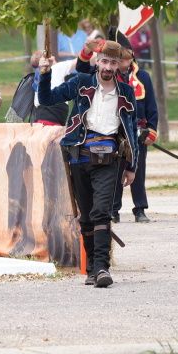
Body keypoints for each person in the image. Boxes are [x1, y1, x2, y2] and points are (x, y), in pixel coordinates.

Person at [37, 40, 138, 288]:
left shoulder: (126, 91)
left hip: (110, 158)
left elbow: (132, 129)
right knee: (86, 215)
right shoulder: (81, 82)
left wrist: (131, 166)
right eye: (104, 61)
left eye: (113, 62)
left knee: (101, 211)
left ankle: (103, 267)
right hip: (79, 155)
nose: (108, 66)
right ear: (97, 62)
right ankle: (92, 267)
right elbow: (47, 98)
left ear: (118, 66)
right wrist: (45, 73)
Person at [78, 43, 157, 222]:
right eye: (120, 59)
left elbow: (151, 105)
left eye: (126, 58)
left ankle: (140, 208)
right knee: (114, 172)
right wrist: (87, 51)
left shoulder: (142, 76)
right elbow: (81, 69)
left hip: (137, 131)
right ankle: (114, 209)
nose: (122, 62)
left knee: (137, 169)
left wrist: (152, 128)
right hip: (115, 131)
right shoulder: (108, 74)